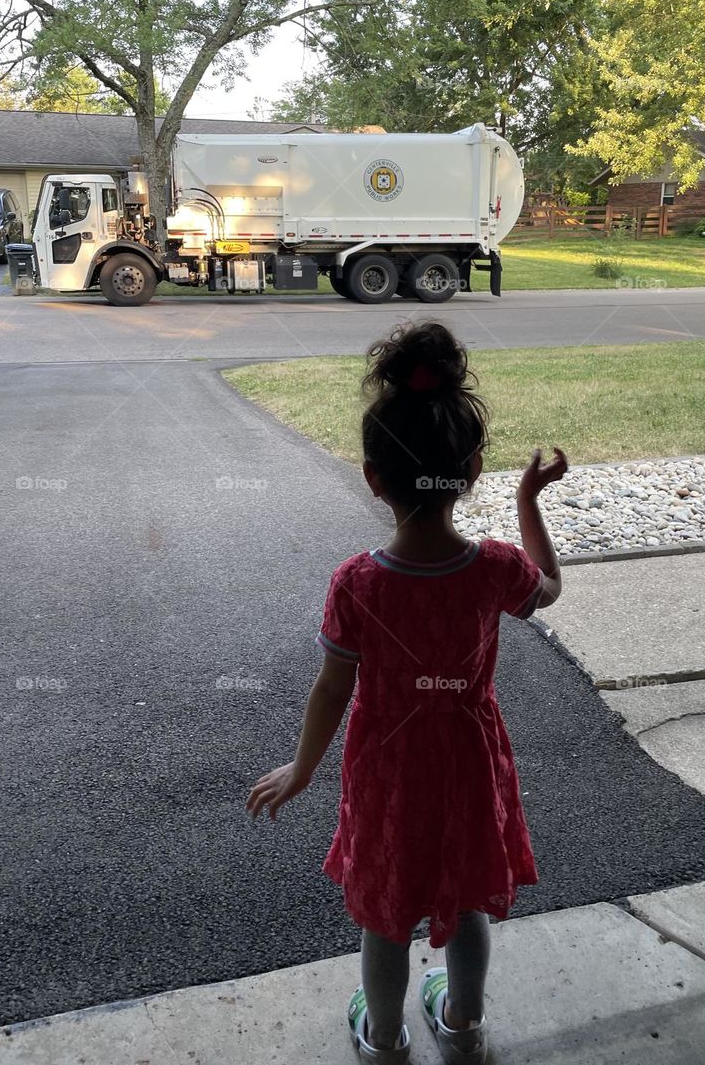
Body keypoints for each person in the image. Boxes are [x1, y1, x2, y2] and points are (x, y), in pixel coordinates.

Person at [247, 321, 567, 1064]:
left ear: (373, 476)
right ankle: (460, 1021)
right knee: (463, 897)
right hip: (468, 757)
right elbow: (548, 585)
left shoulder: (357, 584)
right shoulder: (494, 569)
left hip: (387, 767)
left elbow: (332, 689)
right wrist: (530, 501)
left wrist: (301, 770)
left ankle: (384, 1036)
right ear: (473, 469)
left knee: (387, 910)